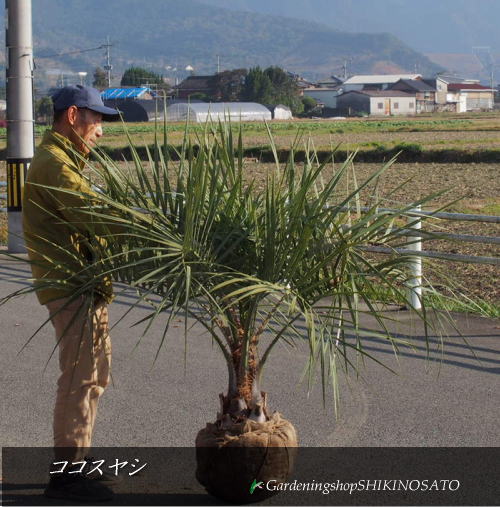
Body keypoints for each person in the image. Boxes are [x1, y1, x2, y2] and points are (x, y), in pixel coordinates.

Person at [22, 85, 121, 501]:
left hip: (83, 283)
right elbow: (93, 215)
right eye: (96, 120)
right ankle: (67, 474)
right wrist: (155, 229)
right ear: (74, 115)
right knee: (80, 378)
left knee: (94, 375)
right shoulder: (54, 165)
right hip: (70, 285)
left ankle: (77, 463)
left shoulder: (63, 160)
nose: (100, 130)